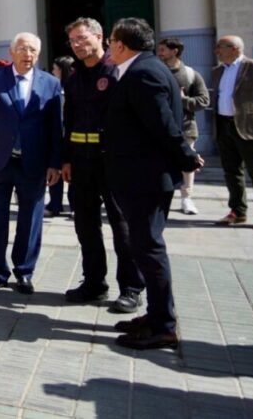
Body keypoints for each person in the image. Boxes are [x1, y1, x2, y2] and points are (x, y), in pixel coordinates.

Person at [104, 18, 202, 350]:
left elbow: (162, 123)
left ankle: (163, 326)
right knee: (144, 247)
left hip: (145, 178)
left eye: (110, 40)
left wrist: (186, 155)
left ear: (120, 44)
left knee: (149, 248)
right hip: (138, 176)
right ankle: (156, 315)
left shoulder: (144, 73)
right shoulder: (142, 68)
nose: (108, 46)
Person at [0, 32, 62, 295]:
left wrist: (54, 162)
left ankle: (24, 272)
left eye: (32, 50)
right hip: (0, 161)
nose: (27, 54)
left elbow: (56, 126)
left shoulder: (50, 83)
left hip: (34, 163)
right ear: (11, 52)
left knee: (30, 220)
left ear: (38, 54)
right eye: (22, 49)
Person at [61, 18, 144, 313]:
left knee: (122, 227)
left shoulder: (117, 72)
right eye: (73, 41)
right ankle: (94, 283)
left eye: (82, 38)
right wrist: (66, 159)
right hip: (81, 162)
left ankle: (131, 288)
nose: (77, 45)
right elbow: (69, 121)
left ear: (100, 37)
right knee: (86, 226)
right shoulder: (73, 78)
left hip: (112, 161)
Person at [209, 35, 253, 232]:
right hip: (224, 125)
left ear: (234, 48)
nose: (217, 51)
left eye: (220, 47)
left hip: (250, 127)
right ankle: (237, 211)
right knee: (232, 171)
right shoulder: (217, 71)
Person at [156, 37, 210, 215]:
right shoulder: (155, 71)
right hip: (159, 128)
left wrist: (182, 100)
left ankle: (186, 198)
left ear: (175, 51)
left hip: (185, 128)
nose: (159, 53)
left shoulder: (190, 74)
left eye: (163, 50)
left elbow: (204, 101)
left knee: (187, 163)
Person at [45, 55, 75, 218]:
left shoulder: (71, 89)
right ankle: (55, 204)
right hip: (57, 135)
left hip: (68, 135)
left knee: (71, 172)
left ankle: (72, 205)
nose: (52, 72)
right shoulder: (53, 88)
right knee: (54, 168)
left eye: (55, 69)